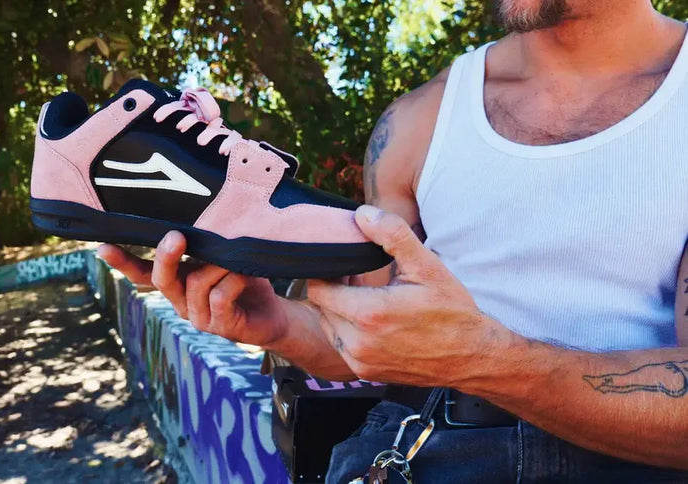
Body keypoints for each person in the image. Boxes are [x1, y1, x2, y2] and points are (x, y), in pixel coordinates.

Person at [98, 0, 688, 481]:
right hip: (424, 450)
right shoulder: (417, 123)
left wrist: (489, 362)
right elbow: (368, 343)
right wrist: (275, 323)